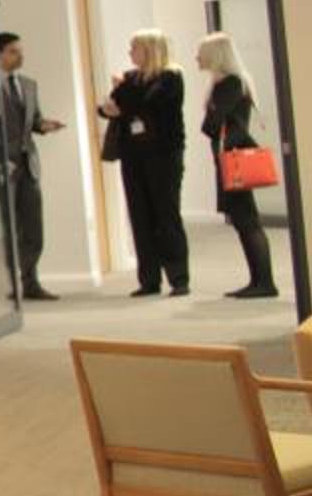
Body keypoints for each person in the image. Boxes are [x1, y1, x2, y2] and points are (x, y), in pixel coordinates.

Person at [97, 28, 188, 296]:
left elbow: (149, 104)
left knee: (166, 214)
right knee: (140, 215)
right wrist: (113, 105)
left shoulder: (170, 77)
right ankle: (149, 280)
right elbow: (107, 107)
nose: (130, 53)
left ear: (149, 50)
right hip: (133, 154)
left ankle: (179, 278)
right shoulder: (131, 78)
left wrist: (121, 102)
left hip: (164, 155)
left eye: (134, 48)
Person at [0, 32, 64, 299]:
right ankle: (11, 284)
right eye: (14, 51)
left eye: (21, 51)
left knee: (33, 227)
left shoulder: (29, 85)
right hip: (5, 167)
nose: (20, 56)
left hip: (29, 165)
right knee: (10, 228)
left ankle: (30, 282)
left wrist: (45, 126)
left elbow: (34, 120)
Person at [196, 33, 278, 298]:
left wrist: (211, 116)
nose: (197, 57)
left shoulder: (230, 84)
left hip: (235, 159)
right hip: (231, 157)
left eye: (201, 52)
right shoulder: (229, 83)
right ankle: (258, 280)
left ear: (215, 55)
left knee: (247, 221)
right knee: (244, 222)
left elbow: (211, 125)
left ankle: (264, 283)